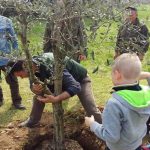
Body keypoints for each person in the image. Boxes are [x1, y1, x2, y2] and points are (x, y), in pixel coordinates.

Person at [7, 52, 101, 127]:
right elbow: (33, 85)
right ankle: (32, 121)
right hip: (57, 82)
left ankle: (105, 131)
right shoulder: (32, 69)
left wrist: (56, 98)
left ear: (26, 67)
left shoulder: (52, 66)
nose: (22, 78)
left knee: (91, 109)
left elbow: (75, 86)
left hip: (80, 80)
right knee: (38, 98)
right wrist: (34, 89)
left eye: (20, 75)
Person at [85, 53, 150, 150]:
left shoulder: (114, 104)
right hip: (136, 145)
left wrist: (92, 124)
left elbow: (111, 137)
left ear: (117, 74)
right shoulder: (147, 93)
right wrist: (134, 75)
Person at [0, 15, 25, 109]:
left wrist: (17, 54)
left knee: (13, 81)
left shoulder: (6, 21)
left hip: (6, 58)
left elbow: (13, 39)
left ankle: (17, 102)